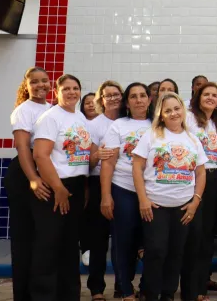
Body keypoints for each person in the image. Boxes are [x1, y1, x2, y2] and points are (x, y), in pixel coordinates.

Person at [132, 92, 208, 301]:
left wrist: (195, 202)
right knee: (156, 252)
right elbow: (137, 167)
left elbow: (201, 172)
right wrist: (143, 199)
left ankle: (168, 295)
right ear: (161, 114)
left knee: (176, 254)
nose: (173, 113)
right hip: (156, 207)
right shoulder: (152, 135)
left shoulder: (192, 139)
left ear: (183, 110)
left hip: (183, 207)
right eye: (168, 110)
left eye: (177, 108)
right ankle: (150, 294)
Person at [31, 74, 91, 301]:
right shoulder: (51, 117)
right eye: (66, 88)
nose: (72, 92)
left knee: (69, 246)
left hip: (75, 187)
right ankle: (44, 295)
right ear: (57, 92)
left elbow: (83, 156)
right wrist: (58, 189)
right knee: (49, 245)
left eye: (76, 88)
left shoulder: (79, 117)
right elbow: (40, 155)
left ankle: (69, 295)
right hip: (56, 187)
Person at [100, 82, 152, 300]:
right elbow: (108, 164)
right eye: (133, 96)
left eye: (142, 95)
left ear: (150, 100)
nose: (139, 100)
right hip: (123, 189)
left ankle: (147, 286)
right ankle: (125, 289)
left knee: (152, 242)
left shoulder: (159, 124)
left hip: (152, 193)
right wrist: (106, 196)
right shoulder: (119, 126)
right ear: (127, 102)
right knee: (124, 242)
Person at [5, 67, 51, 301]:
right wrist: (33, 179)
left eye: (44, 80)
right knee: (24, 238)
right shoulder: (23, 110)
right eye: (35, 82)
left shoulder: (51, 109)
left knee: (42, 237)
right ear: (27, 86)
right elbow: (23, 147)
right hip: (25, 175)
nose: (41, 85)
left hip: (45, 172)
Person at [181, 82, 217, 301]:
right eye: (206, 94)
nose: (210, 98)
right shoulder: (188, 118)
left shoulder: (216, 122)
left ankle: (200, 287)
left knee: (206, 234)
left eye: (214, 95)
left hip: (214, 179)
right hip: (193, 179)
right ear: (197, 97)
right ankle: (191, 288)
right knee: (194, 235)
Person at [83, 81, 123, 299]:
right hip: (100, 183)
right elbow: (87, 163)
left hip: (125, 184)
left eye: (117, 94)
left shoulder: (128, 122)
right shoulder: (93, 125)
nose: (114, 98)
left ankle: (122, 285)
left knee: (123, 240)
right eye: (108, 95)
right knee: (98, 240)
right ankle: (96, 288)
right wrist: (97, 155)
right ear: (101, 100)